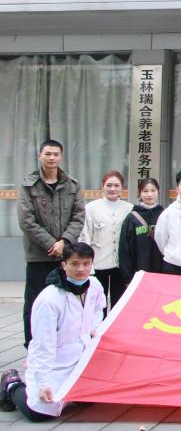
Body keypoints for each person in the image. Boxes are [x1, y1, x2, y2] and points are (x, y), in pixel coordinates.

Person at [0, 242, 104, 421]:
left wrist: (93, 328)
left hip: (80, 359)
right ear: (64, 265)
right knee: (39, 411)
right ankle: (11, 384)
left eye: (86, 264)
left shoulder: (94, 285)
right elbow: (43, 344)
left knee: (89, 401)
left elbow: (98, 308)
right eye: (74, 264)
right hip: (54, 363)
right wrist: (44, 383)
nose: (81, 269)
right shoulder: (49, 299)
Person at [17, 139, 85, 347]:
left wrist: (64, 242)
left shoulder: (72, 185)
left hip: (66, 256)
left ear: (61, 156)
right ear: (40, 156)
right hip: (39, 255)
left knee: (67, 301)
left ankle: (63, 344)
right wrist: (52, 244)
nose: (52, 158)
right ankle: (33, 345)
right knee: (36, 302)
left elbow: (78, 216)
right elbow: (26, 221)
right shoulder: (28, 186)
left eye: (56, 154)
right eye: (48, 154)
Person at [79, 170, 132, 309]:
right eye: (109, 185)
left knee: (119, 302)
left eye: (116, 185)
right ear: (102, 186)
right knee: (97, 302)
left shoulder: (129, 209)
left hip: (120, 265)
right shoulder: (91, 208)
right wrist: (86, 263)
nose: (112, 189)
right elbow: (85, 236)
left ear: (122, 187)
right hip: (97, 262)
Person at [117, 178, 164, 283]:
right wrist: (127, 277)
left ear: (158, 192)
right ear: (140, 193)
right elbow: (124, 249)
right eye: (145, 191)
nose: (149, 194)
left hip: (161, 273)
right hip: (138, 274)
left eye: (153, 190)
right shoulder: (131, 218)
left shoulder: (165, 215)